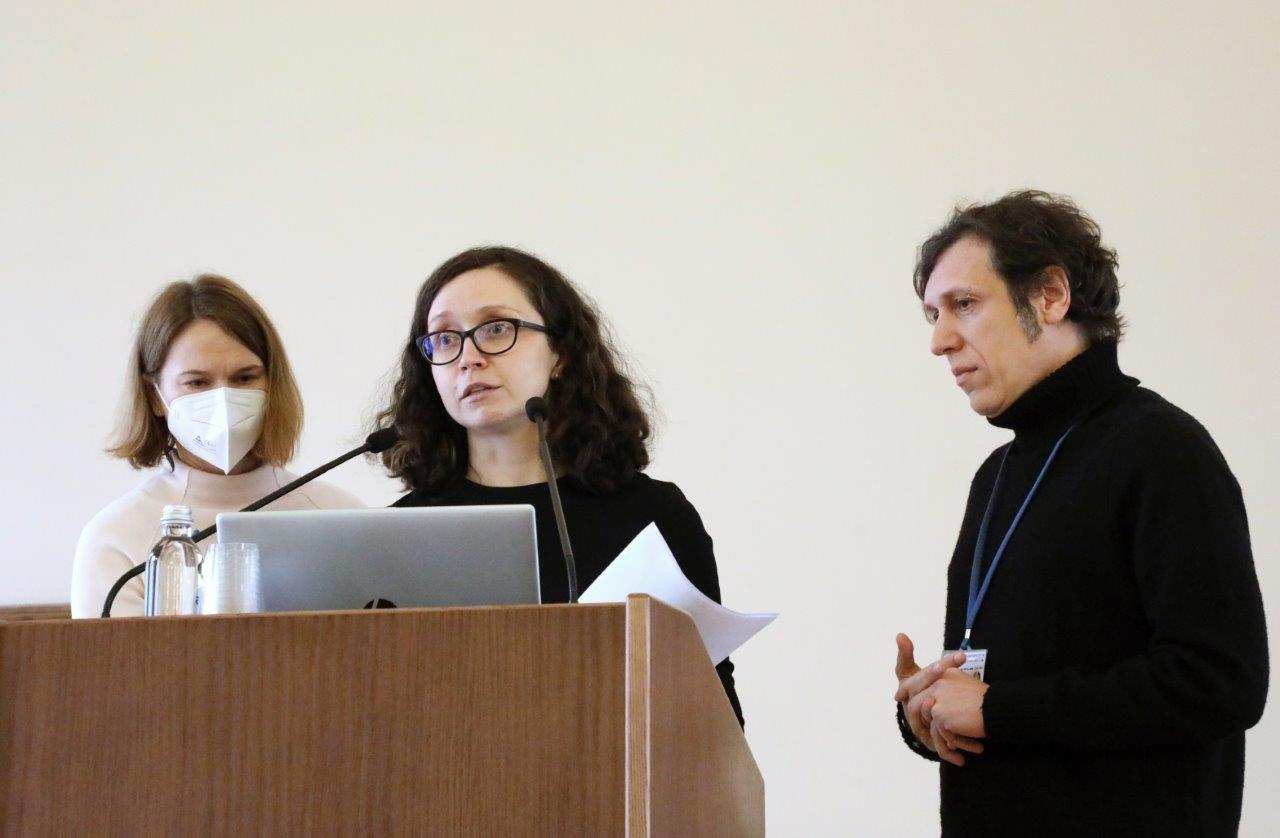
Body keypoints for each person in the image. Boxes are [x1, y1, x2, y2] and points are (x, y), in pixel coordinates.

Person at [893, 191, 1268, 835]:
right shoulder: (997, 474)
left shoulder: (1161, 448)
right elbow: (1012, 685)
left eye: (964, 304)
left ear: (1050, 296)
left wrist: (998, 710)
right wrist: (932, 711)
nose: (939, 340)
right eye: (933, 314)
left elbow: (1219, 681)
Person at [378, 245, 744, 726]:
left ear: (561, 353)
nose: (468, 357)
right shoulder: (402, 534)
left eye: (496, 328)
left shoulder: (652, 515)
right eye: (445, 339)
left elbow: (715, 709)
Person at [72, 275, 364, 618]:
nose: (224, 400)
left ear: (272, 383)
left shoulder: (342, 518)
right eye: (197, 382)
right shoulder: (116, 539)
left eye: (245, 378)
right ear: (154, 396)